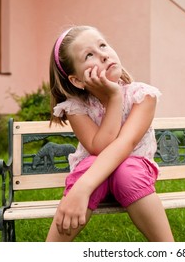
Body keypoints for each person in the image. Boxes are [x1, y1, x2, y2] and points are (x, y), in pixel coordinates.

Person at [45, 25, 174, 242]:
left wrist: (81, 188)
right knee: (89, 164)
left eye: (102, 45)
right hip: (95, 178)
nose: (103, 55)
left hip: (132, 174)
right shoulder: (76, 107)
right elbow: (99, 147)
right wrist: (114, 99)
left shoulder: (142, 96)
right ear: (76, 79)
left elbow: (125, 143)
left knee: (126, 169)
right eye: (89, 55)